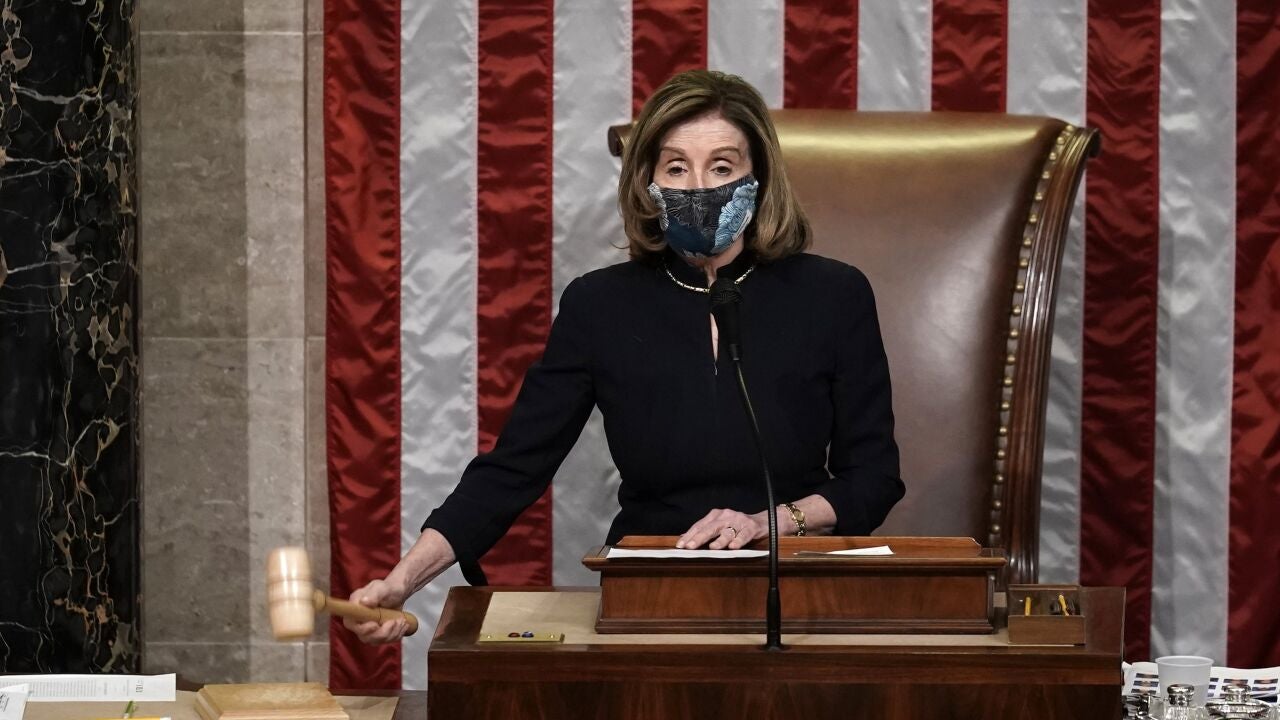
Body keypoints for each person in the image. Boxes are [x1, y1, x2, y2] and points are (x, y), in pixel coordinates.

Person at [347, 69, 904, 644]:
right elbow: (514, 468)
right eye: (676, 168)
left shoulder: (833, 295)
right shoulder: (599, 305)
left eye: (721, 167)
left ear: (758, 177)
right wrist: (402, 580)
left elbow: (874, 477)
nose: (698, 187)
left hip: (799, 583)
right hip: (650, 591)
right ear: (647, 182)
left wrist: (772, 522)